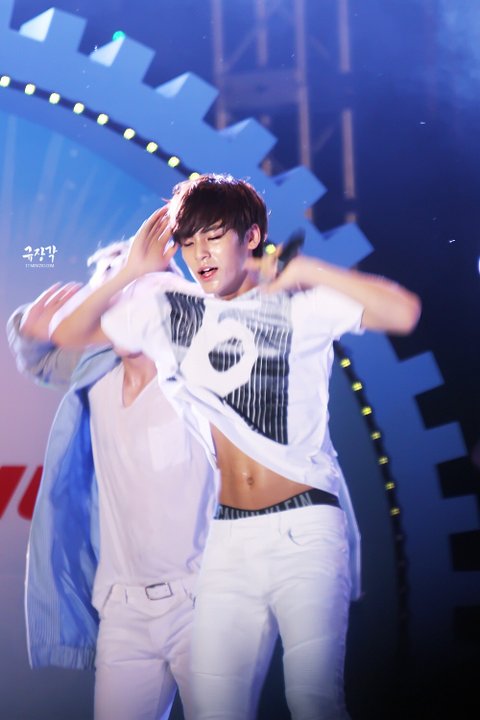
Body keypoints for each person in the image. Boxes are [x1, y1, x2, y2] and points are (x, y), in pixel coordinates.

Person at [51, 173, 422, 720]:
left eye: (214, 237)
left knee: (313, 700)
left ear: (251, 237)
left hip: (306, 531)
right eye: (189, 242)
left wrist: (306, 271)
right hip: (227, 540)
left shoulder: (299, 304)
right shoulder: (172, 313)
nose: (200, 254)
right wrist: (131, 271)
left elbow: (403, 312)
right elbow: (66, 332)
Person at [7, 240, 217, 720]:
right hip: (123, 609)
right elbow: (34, 346)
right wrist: (118, 278)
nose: (118, 313)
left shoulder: (199, 374)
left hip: (203, 601)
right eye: (109, 302)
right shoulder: (96, 369)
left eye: (133, 300)